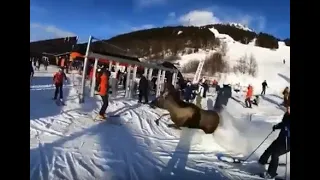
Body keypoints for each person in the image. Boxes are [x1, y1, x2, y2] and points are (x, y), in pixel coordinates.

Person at [259, 107, 290, 179]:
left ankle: (271, 173)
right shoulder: (287, 115)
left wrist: (288, 129)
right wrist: (276, 126)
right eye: (288, 107)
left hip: (287, 143)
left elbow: (287, 126)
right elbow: (283, 123)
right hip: (281, 139)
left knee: (275, 154)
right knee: (270, 149)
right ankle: (261, 162)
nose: (288, 109)